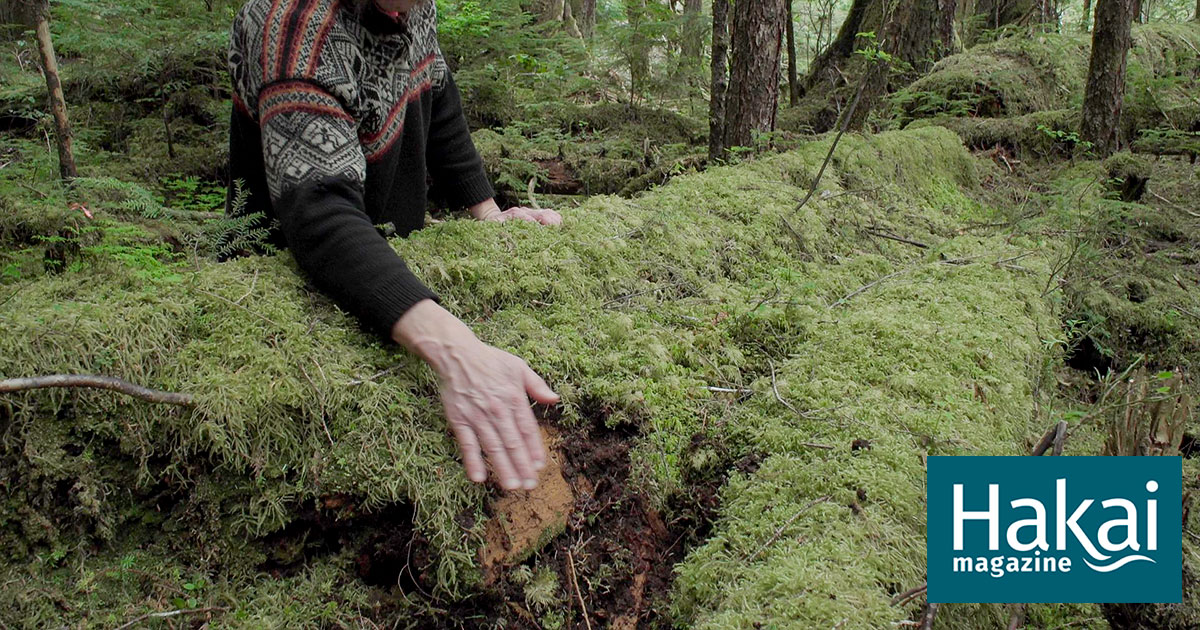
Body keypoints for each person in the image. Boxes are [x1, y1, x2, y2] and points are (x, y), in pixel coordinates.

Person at [225, 0, 561, 492]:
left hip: (386, 255)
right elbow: (318, 209)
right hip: (279, 285)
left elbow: (437, 93)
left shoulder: (414, 7)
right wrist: (458, 351)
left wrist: (486, 211)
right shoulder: (298, 22)